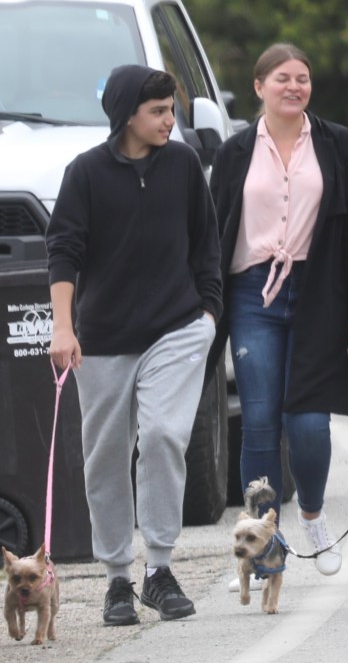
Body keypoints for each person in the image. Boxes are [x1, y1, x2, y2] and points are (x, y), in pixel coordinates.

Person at [47, 66, 222, 626]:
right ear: (127, 114)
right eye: (159, 111)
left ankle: (160, 569)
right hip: (102, 337)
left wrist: (209, 313)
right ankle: (118, 577)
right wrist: (62, 326)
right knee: (105, 457)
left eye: (172, 110)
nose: (171, 120)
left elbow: (206, 240)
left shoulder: (184, 164)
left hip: (177, 325)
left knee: (167, 434)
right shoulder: (86, 173)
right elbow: (64, 250)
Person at [207, 43, 348, 586]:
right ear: (258, 87)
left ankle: (312, 514)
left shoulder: (338, 144)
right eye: (282, 78)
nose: (294, 87)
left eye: (302, 78)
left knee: (307, 421)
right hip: (251, 292)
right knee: (258, 419)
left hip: (320, 292)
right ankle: (262, 540)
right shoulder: (235, 152)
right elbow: (212, 228)